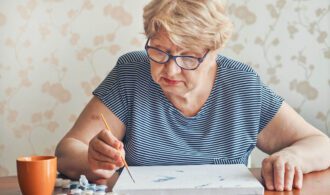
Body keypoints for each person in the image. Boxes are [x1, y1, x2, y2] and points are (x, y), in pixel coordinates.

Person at [55, 0, 330, 192]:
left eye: (188, 56)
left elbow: (320, 144)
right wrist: (91, 161)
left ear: (214, 53)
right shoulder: (131, 74)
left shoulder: (242, 86)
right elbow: (67, 152)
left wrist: (293, 157)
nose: (170, 69)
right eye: (159, 51)